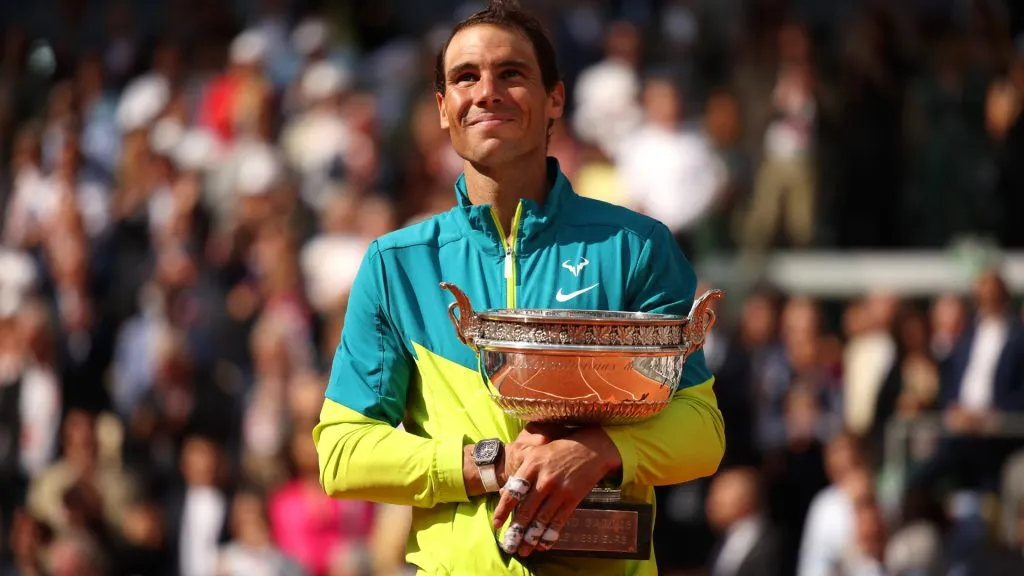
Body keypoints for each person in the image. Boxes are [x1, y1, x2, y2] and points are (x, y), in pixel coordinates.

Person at [312, 1, 725, 574]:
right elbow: (341, 451)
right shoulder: (396, 265)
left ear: (555, 98)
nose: (487, 92)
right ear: (442, 109)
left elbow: (701, 430)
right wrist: (493, 463)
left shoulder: (635, 245)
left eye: (511, 73)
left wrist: (600, 452)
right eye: (465, 78)